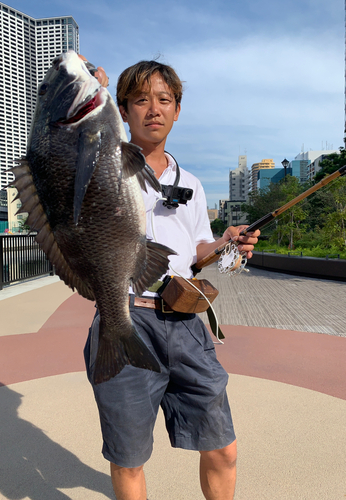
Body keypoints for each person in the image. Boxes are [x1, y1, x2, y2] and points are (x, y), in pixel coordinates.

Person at [84, 59, 260, 500]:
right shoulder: (102, 168)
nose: (154, 109)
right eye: (140, 100)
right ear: (122, 110)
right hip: (126, 315)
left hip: (186, 324)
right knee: (128, 457)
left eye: (164, 100)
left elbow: (199, 252)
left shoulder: (193, 184)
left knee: (223, 447)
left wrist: (227, 243)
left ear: (178, 110)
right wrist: (92, 89)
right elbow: (73, 143)